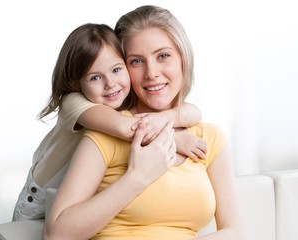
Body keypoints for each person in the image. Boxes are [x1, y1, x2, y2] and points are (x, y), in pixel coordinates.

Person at [44, 5, 245, 240]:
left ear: (183, 58)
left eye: (163, 56)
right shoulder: (107, 132)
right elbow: (56, 235)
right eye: (137, 61)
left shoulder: (210, 138)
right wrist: (137, 178)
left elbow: (235, 232)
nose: (151, 73)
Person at [13, 23, 207, 221]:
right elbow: (126, 127)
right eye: (95, 77)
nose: (110, 84)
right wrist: (175, 138)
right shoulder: (73, 102)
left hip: (80, 200)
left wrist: (165, 118)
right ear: (75, 82)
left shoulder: (119, 101)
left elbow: (194, 112)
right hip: (39, 203)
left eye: (116, 70)